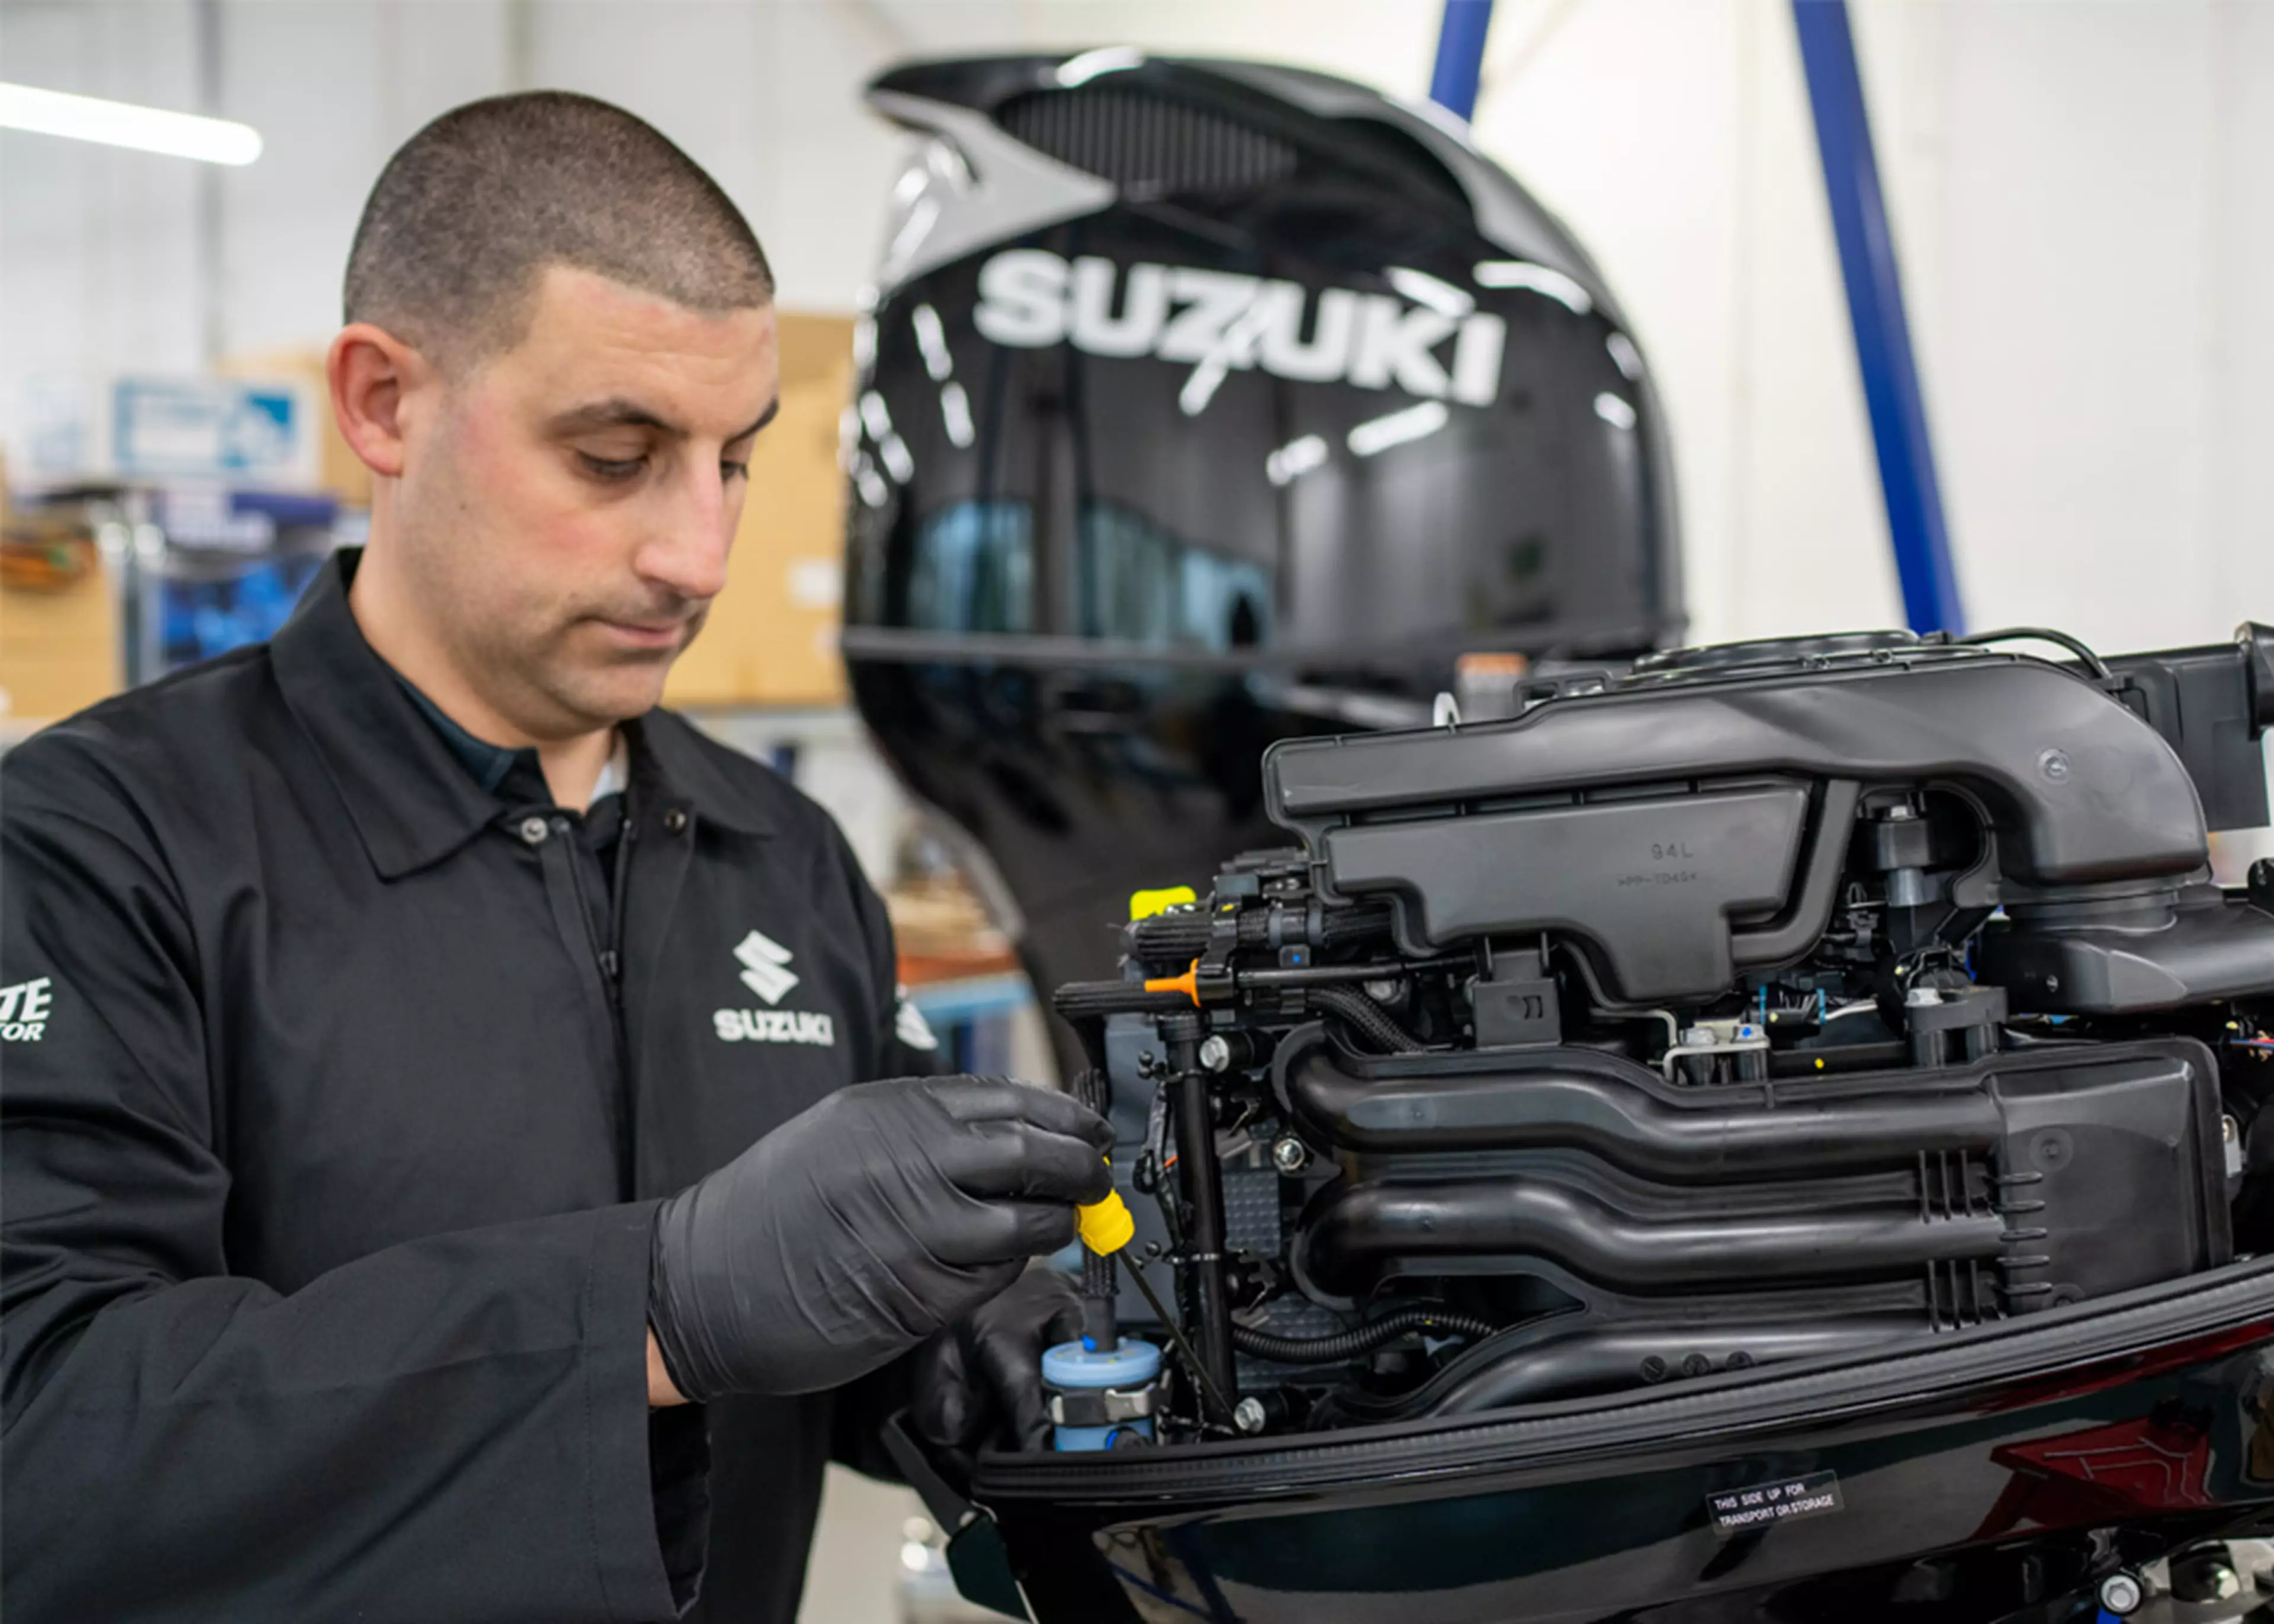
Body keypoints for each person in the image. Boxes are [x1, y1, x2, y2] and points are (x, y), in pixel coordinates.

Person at [0, 91, 1105, 1622]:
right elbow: (44, 1435)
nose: (699, 554)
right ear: (383, 403)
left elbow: (816, 1341)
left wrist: (957, 1341)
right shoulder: (96, 847)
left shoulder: (782, 852)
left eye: (735, 460)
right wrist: (645, 1309)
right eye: (614, 455)